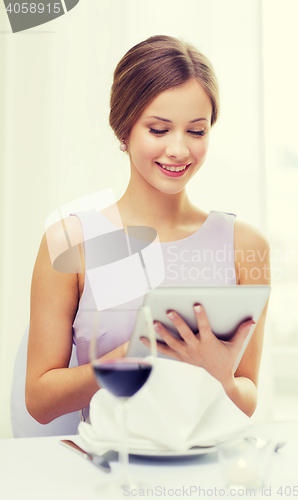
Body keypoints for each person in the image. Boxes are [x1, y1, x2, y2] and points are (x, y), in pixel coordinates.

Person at [25, 35, 270, 426]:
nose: (179, 150)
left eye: (196, 131)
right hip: (110, 470)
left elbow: (247, 396)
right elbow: (39, 401)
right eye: (158, 130)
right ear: (124, 130)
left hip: (206, 469)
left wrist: (221, 376)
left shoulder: (247, 246)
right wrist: (129, 358)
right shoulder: (69, 243)